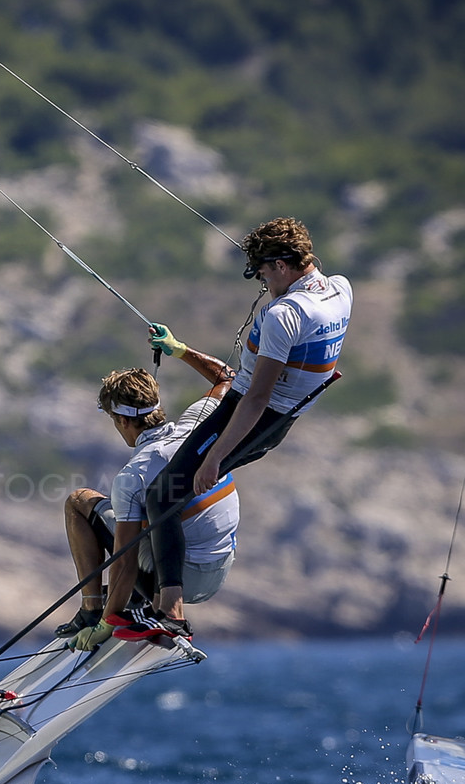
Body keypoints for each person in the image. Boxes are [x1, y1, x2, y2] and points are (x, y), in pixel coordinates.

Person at [143, 217, 352, 635]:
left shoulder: (285, 315)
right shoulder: (341, 288)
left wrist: (215, 457)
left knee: (161, 495)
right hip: (281, 419)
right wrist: (181, 349)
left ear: (279, 264)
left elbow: (254, 397)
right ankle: (159, 597)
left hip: (252, 414)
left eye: (260, 271)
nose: (260, 280)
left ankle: (171, 611)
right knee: (176, 490)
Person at [58, 343, 239, 652]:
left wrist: (107, 624)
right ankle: (135, 603)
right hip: (221, 569)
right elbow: (228, 378)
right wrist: (180, 349)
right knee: (155, 517)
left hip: (177, 581)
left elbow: (124, 561)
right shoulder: (199, 422)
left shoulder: (134, 474)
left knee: (79, 501)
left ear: (123, 421)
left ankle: (92, 610)